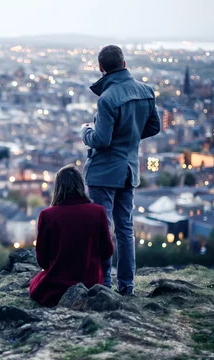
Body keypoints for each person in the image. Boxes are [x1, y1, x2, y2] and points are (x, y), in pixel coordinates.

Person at [81, 45, 161, 296]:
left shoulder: (107, 98)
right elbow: (154, 127)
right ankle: (127, 286)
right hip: (129, 169)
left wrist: (86, 132)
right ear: (124, 64)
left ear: (101, 68)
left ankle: (103, 284)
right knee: (125, 229)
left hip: (104, 171)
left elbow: (102, 140)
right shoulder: (146, 92)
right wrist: (132, 136)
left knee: (102, 229)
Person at [29, 165, 114, 307]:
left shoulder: (48, 215)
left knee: (36, 284)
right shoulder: (98, 211)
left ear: (58, 187)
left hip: (56, 287)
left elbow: (42, 261)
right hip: (90, 284)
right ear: (81, 185)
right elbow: (107, 252)